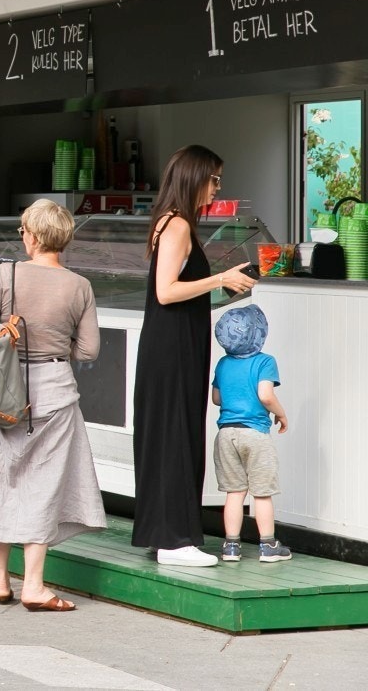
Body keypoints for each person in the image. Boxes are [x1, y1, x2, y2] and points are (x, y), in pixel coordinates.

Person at [0, 200, 107, 612]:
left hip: (1, 391)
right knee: (42, 485)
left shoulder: (7, 273)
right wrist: (57, 345)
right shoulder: (80, 286)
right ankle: (34, 584)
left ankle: (1, 580)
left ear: (33, 236)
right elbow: (89, 348)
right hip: (54, 392)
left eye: (23, 230)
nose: (22, 236)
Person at [132, 144, 257, 566]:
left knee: (170, 430)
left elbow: (176, 289)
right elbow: (167, 292)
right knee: (175, 431)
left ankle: (165, 533)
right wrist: (220, 277)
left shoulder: (169, 221)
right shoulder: (179, 225)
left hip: (171, 341)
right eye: (214, 178)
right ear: (195, 178)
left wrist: (219, 285)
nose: (218, 187)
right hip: (174, 345)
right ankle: (174, 541)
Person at [211, 304, 292, 563]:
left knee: (234, 492)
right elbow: (266, 395)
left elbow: (216, 398)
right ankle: (268, 546)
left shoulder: (223, 363)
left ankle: (231, 547)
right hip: (255, 433)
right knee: (261, 492)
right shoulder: (265, 362)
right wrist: (281, 414)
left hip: (226, 434)